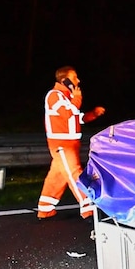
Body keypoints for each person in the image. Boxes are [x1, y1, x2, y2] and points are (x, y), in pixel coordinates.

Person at [38, 66, 105, 220]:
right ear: (65, 80)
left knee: (57, 176)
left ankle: (45, 209)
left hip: (70, 143)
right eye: (74, 77)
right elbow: (68, 112)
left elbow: (76, 118)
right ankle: (88, 209)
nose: (78, 81)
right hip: (62, 144)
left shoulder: (65, 97)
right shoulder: (54, 95)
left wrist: (93, 114)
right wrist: (77, 98)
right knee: (74, 173)